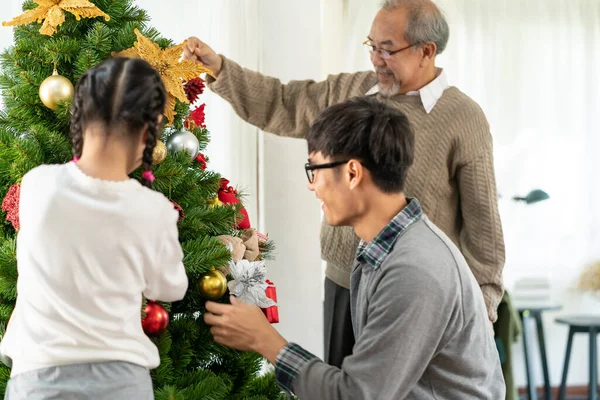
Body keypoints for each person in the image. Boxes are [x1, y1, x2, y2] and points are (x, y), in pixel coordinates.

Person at [184, 0, 505, 367]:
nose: (375, 59)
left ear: (426, 51)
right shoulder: (352, 91)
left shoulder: (463, 118)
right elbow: (283, 102)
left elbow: (485, 235)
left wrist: (479, 319)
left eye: (387, 49)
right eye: (372, 46)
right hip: (343, 285)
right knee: (342, 387)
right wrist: (221, 68)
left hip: (414, 295)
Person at [204, 97, 505, 399]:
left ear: (352, 173)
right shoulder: (381, 246)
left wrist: (264, 340)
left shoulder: (415, 269)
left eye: (315, 169)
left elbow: (358, 395)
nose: (312, 185)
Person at [0, 57, 189, 399]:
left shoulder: (36, 186)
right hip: (120, 382)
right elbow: (171, 287)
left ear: (80, 115)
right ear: (150, 131)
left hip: (38, 379)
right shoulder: (152, 210)